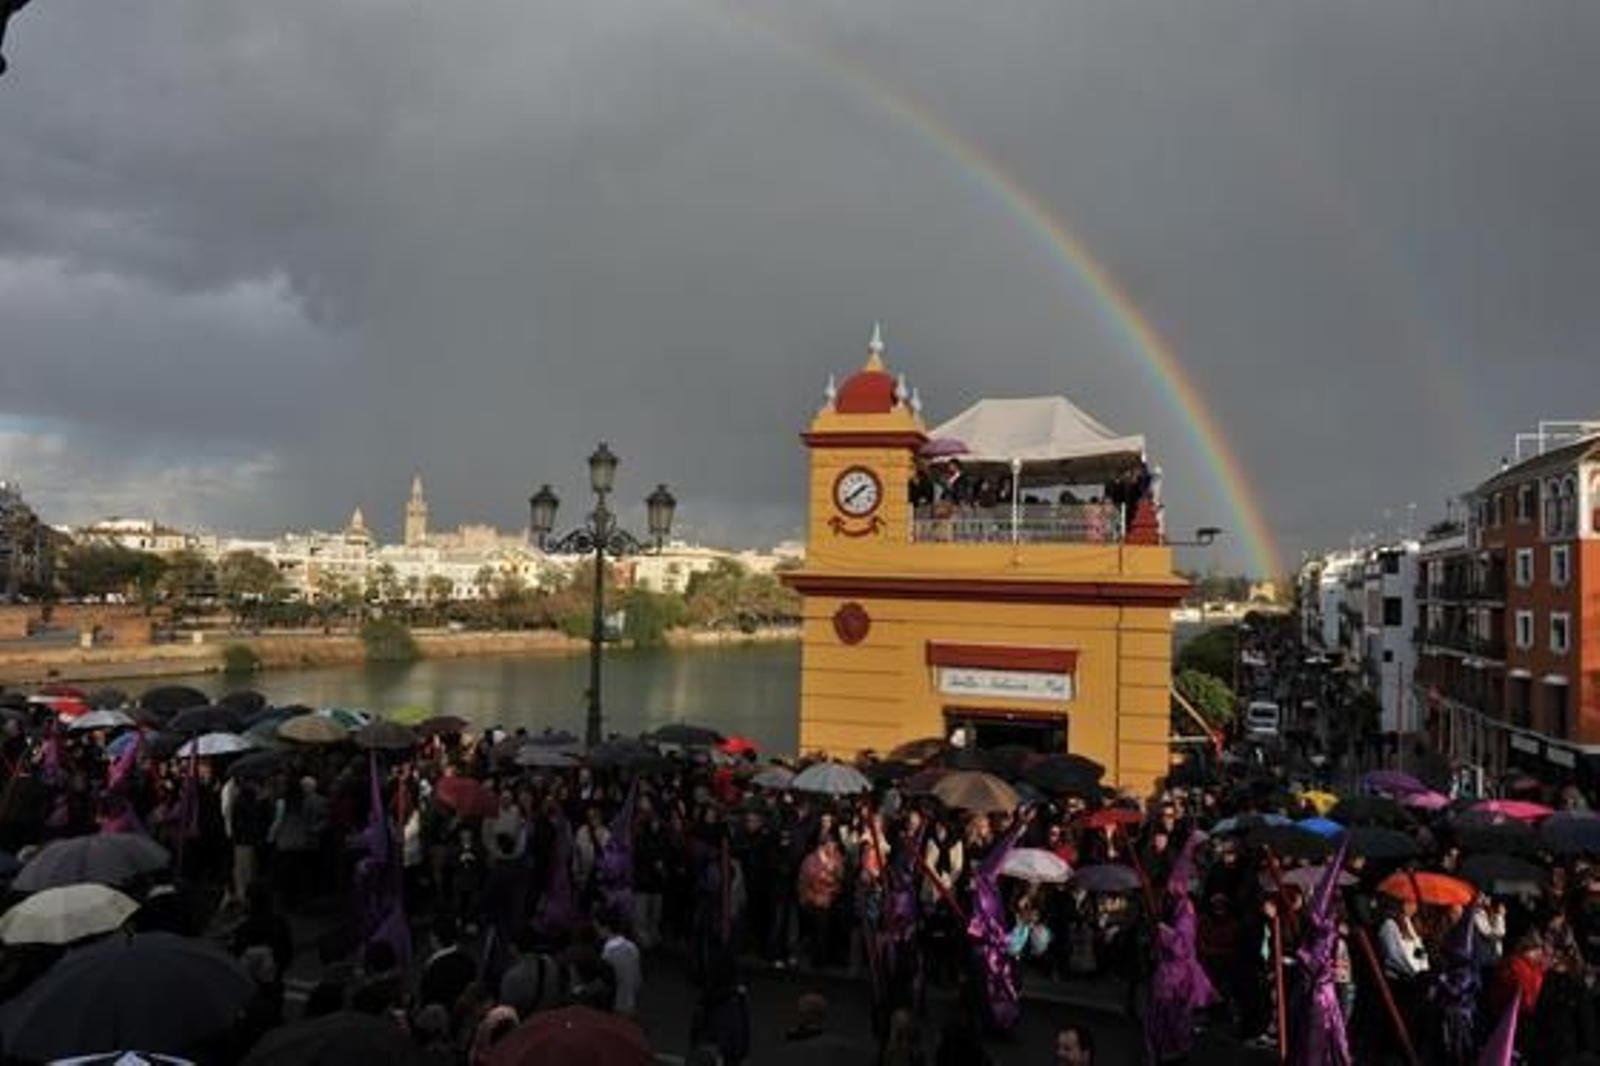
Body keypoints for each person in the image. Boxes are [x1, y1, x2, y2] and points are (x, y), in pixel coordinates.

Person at [598, 909, 643, 1016]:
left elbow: (606, 986)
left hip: (615, 1007)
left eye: (597, 927)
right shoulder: (632, 946)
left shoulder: (608, 950)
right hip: (630, 1004)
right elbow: (638, 982)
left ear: (606, 927)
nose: (597, 931)